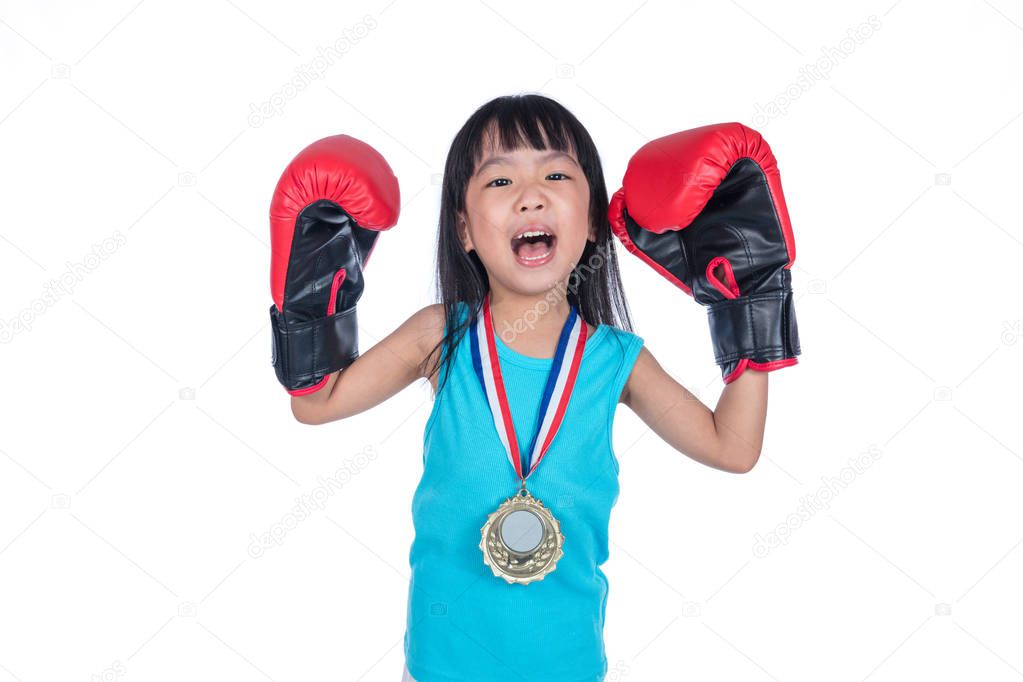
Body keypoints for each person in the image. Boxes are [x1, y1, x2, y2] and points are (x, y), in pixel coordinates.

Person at [271, 94, 800, 681]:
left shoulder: (616, 359)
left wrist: (750, 303)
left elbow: (734, 447)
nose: (531, 193)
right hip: (440, 670)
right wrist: (312, 290)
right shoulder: (438, 335)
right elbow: (315, 404)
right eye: (499, 180)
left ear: (593, 218)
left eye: (555, 173)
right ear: (465, 229)